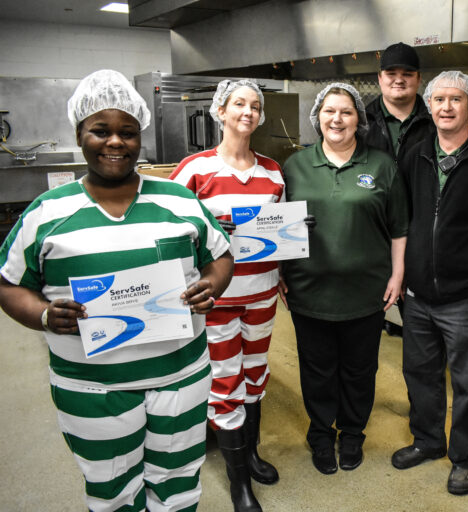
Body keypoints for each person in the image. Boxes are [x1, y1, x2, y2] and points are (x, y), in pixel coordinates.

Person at [0, 69, 233, 511]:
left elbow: (220, 256)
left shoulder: (178, 200)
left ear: (139, 137)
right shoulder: (47, 213)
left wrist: (211, 285)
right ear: (79, 134)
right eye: (100, 131)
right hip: (92, 390)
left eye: (127, 132)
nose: (115, 142)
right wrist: (44, 315)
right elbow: (9, 283)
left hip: (180, 378)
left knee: (178, 481)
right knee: (111, 490)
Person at [392, 70, 468, 495]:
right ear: (429, 106)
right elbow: (401, 221)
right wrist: (400, 275)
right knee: (419, 375)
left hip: (467, 296)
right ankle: (427, 441)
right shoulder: (414, 155)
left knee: (466, 384)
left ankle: (463, 458)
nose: (446, 107)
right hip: (418, 295)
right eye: (439, 99)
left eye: (456, 99)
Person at [280, 83, 408, 475]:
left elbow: (399, 227)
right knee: (316, 369)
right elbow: (275, 226)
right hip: (309, 290)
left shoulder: (381, 165)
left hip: (366, 291)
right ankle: (321, 434)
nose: (337, 119)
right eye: (329, 111)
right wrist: (279, 271)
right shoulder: (295, 166)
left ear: (359, 119)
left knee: (359, 370)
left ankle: (352, 433)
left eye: (346, 112)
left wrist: (397, 275)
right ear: (318, 117)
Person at [170, 79, 283, 512]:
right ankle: (240, 485)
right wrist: (210, 230)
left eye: (255, 105)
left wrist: (295, 231)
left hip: (263, 293)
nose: (247, 112)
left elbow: (279, 233)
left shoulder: (272, 171)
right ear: (220, 111)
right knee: (224, 380)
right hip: (216, 299)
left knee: (255, 373)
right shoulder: (193, 169)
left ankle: (250, 454)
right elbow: (171, 232)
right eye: (239, 104)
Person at [364, 41, 435, 337]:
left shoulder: (436, 121)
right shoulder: (360, 122)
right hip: (370, 242)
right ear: (380, 78)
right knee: (363, 330)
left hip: (423, 243)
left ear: (418, 79)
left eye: (407, 73)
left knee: (421, 336)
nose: (399, 79)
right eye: (391, 73)